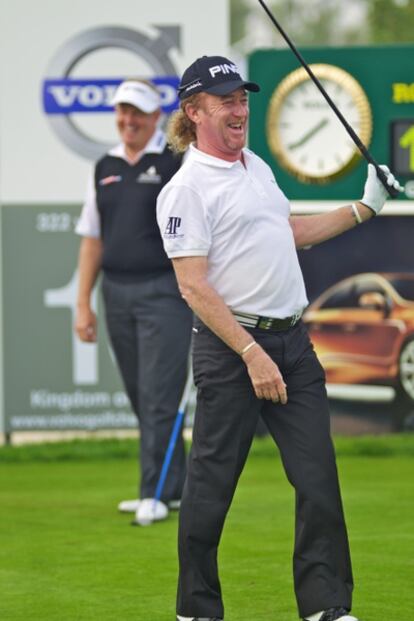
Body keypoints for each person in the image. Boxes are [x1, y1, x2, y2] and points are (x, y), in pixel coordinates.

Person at [156, 56, 402, 621]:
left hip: (292, 344)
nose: (240, 109)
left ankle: (326, 606)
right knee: (212, 487)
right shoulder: (186, 189)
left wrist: (364, 208)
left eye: (243, 99)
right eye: (226, 101)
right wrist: (249, 352)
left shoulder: (255, 167)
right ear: (194, 112)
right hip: (230, 350)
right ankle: (196, 608)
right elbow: (193, 287)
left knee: (318, 480)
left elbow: (288, 232)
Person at [75, 79, 192, 525]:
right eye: (123, 112)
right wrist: (83, 304)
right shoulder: (103, 166)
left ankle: (154, 492)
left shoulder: (174, 163)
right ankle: (172, 487)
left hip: (165, 291)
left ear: (155, 116)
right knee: (141, 395)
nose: (129, 121)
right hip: (116, 293)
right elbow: (92, 240)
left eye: (138, 113)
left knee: (160, 395)